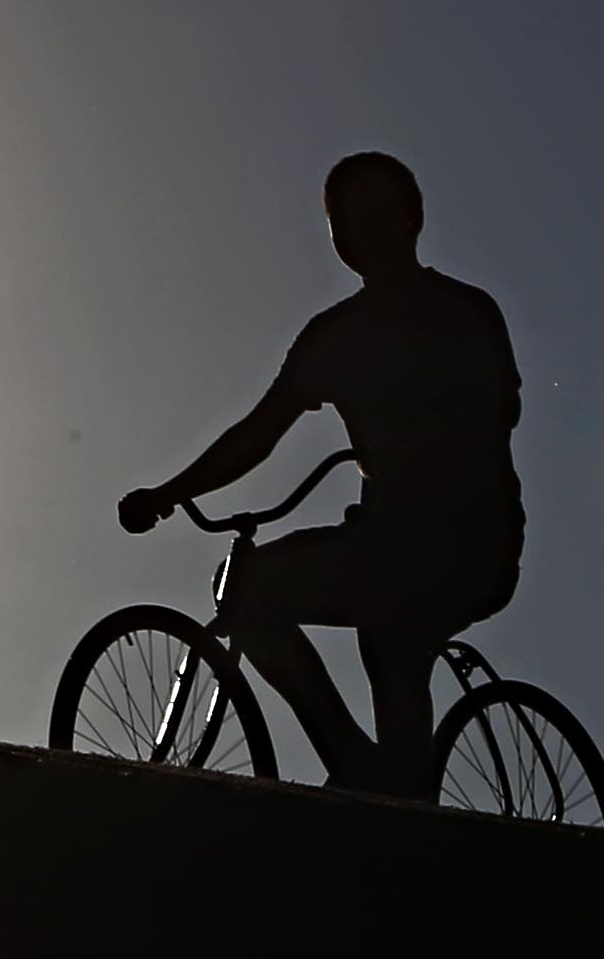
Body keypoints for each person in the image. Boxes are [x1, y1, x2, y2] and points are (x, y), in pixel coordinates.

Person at [118, 153, 524, 795]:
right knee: (247, 589)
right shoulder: (334, 337)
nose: (358, 229)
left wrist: (425, 446)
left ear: (413, 219)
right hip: (384, 538)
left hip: (472, 540)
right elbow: (258, 433)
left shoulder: (466, 312)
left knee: (393, 627)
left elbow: (501, 410)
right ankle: (363, 767)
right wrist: (171, 493)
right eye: (342, 219)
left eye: (372, 212)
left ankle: (409, 799)